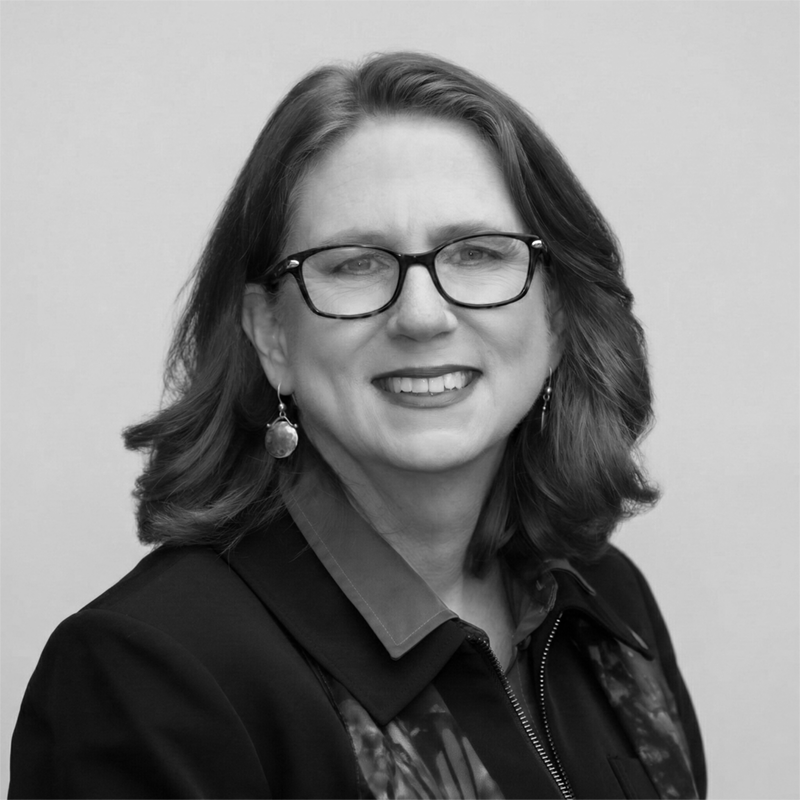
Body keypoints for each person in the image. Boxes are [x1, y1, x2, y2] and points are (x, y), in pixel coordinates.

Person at [9, 52, 705, 800]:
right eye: (353, 265)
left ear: (558, 318)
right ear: (272, 333)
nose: (422, 316)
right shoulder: (148, 677)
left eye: (476, 253)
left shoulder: (605, 607)